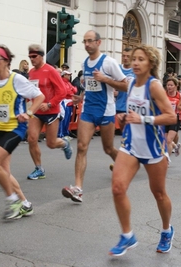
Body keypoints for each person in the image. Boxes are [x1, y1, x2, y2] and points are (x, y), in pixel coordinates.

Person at [109, 44, 177, 256]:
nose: (135, 62)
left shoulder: (154, 86)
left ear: (151, 64)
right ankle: (127, 235)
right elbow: (120, 91)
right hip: (130, 145)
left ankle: (167, 230)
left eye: (141, 59)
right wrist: (124, 117)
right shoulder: (129, 83)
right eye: (134, 58)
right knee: (118, 188)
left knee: (158, 193)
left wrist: (143, 119)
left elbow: (171, 116)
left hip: (154, 148)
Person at [0, 44, 45, 219]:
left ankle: (12, 200)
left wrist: (28, 113)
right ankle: (25, 204)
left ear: (7, 61)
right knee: (3, 171)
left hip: (15, 129)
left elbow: (39, 96)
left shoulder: (17, 80)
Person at [61, 30, 128, 203]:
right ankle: (78, 188)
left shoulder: (109, 63)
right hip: (88, 110)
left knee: (108, 148)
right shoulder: (84, 63)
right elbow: (90, 86)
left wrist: (105, 79)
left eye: (90, 41)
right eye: (84, 41)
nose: (87, 44)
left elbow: (125, 86)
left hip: (106, 111)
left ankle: (124, 166)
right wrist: (80, 97)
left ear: (99, 42)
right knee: (82, 147)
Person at [27, 44, 71, 180]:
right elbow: (30, 91)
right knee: (32, 139)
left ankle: (64, 143)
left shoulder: (51, 71)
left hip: (52, 111)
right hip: (37, 111)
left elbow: (62, 91)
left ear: (41, 56)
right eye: (30, 57)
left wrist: (50, 103)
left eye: (34, 56)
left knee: (51, 144)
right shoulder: (31, 72)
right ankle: (39, 169)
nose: (31, 59)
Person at [115, 47, 134, 132]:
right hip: (120, 105)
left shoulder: (135, 70)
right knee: (124, 131)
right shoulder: (117, 68)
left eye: (128, 56)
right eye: (123, 56)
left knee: (131, 131)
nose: (125, 58)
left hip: (132, 106)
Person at [165, 77, 181, 158]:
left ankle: (167, 160)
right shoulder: (163, 95)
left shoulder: (180, 96)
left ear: (176, 86)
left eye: (171, 85)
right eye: (168, 85)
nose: (169, 87)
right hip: (165, 118)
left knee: (168, 140)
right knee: (164, 140)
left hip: (175, 119)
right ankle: (175, 146)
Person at [58, 70, 77, 139]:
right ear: (64, 75)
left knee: (67, 119)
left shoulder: (68, 83)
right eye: (68, 75)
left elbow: (75, 90)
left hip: (69, 102)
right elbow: (67, 92)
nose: (69, 76)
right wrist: (72, 90)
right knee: (63, 118)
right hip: (64, 102)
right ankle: (61, 133)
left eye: (69, 75)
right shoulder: (62, 82)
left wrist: (72, 90)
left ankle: (65, 133)